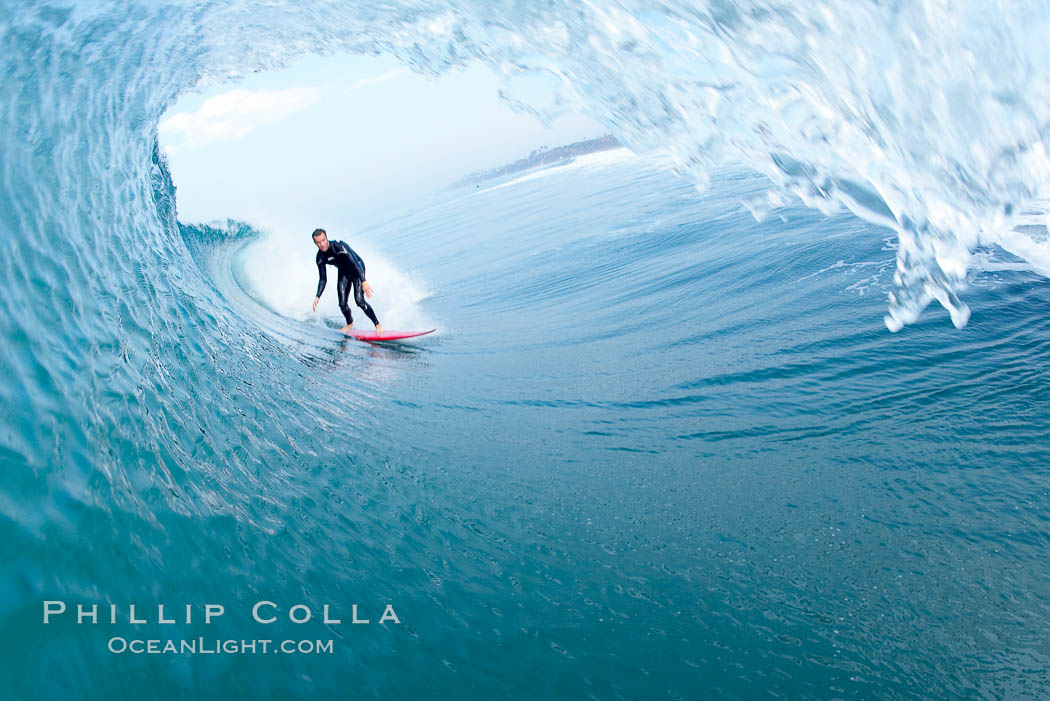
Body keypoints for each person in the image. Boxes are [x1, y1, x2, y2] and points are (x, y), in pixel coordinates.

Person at [311, 228, 384, 335]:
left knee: (359, 301)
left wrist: (363, 281)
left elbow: (355, 262)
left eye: (323, 240)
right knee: (342, 304)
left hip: (357, 269)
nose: (321, 244)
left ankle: (377, 324)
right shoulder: (320, 257)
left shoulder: (339, 246)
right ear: (315, 243)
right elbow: (323, 278)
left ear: (327, 238)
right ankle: (350, 323)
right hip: (344, 272)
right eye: (318, 242)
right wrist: (318, 296)